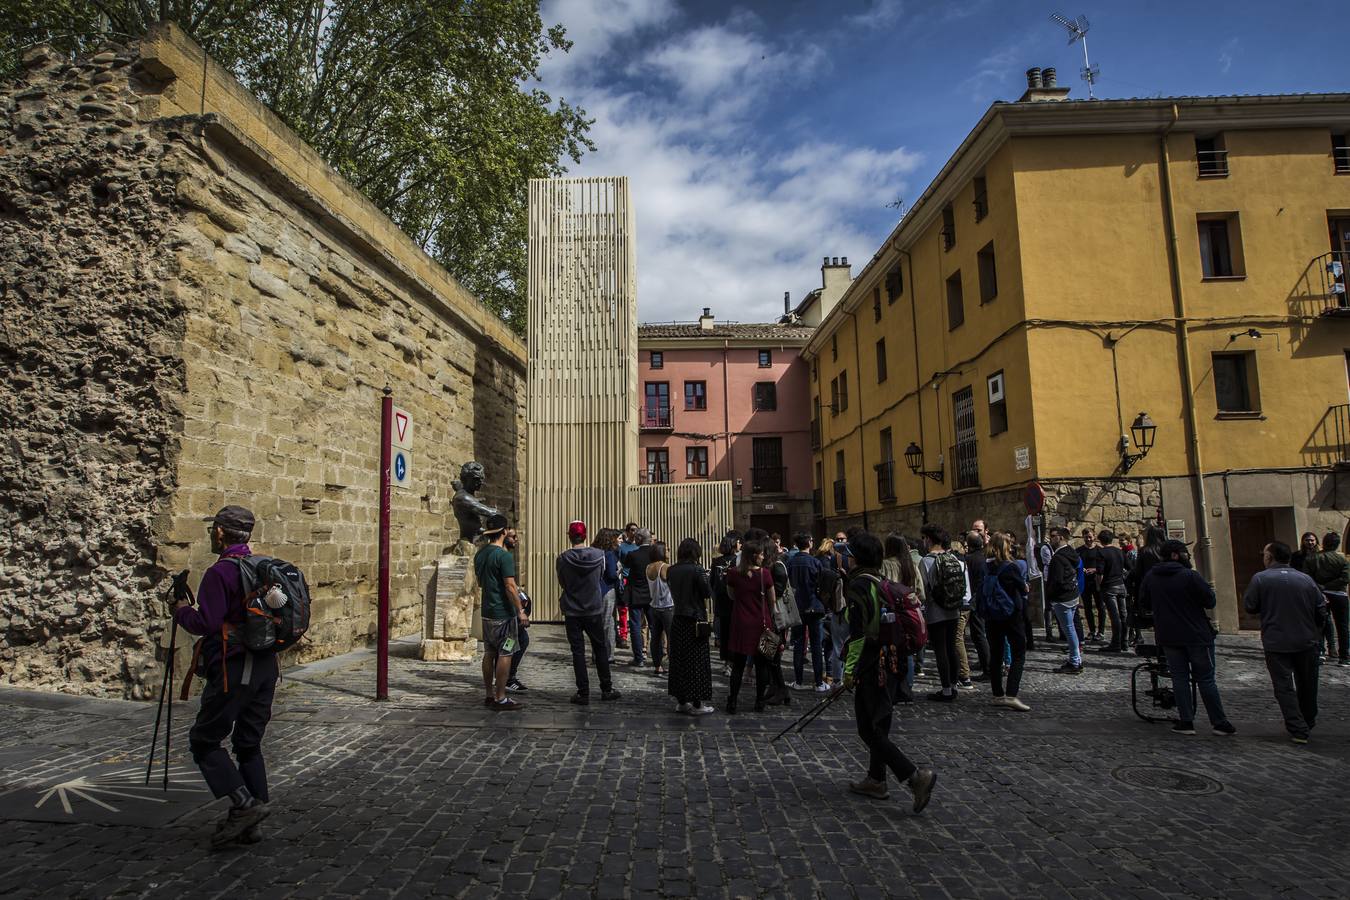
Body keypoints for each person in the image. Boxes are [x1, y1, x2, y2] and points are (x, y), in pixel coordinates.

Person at [171, 505, 275, 847]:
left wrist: (181, 611)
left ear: (219, 533)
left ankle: (244, 806)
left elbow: (208, 625)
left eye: (211, 529)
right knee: (248, 744)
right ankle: (254, 822)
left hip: (234, 668)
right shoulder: (261, 566)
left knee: (204, 740)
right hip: (264, 666)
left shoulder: (221, 573)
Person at [842, 531, 938, 811]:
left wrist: (849, 672)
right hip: (894, 660)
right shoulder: (881, 580)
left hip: (873, 662)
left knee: (867, 728)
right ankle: (876, 779)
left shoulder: (859, 585)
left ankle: (914, 776)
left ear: (857, 558)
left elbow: (859, 633)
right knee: (879, 724)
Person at [1140, 540, 1234, 736]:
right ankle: (1218, 722)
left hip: (1168, 635)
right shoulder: (1190, 576)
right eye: (1184, 553)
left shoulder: (1151, 576)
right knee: (1206, 679)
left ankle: (1186, 721)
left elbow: (1144, 603)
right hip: (1196, 635)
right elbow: (1210, 600)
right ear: (1175, 555)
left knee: (1179, 678)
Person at [1244, 540, 1327, 744]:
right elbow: (1321, 610)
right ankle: (1307, 720)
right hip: (1306, 639)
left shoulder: (1261, 579)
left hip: (1277, 640)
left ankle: (1297, 726)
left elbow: (1250, 606)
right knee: (1308, 683)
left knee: (1283, 686)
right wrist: (1316, 631)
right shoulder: (1305, 579)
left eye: (1264, 554)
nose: (1263, 557)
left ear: (1270, 557)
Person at [556, 521, 620, 705]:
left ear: (569, 535)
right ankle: (606, 688)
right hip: (593, 607)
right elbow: (601, 576)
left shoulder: (563, 558)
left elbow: (563, 582)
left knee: (577, 652)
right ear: (585, 535)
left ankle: (583, 692)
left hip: (572, 609)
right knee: (600, 648)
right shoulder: (599, 556)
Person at [476, 514, 528, 710]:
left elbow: (481, 582)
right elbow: (510, 586)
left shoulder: (480, 554)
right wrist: (520, 611)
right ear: (504, 531)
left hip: (487, 612)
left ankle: (489, 694)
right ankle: (501, 696)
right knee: (506, 653)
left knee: (489, 652)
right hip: (503, 615)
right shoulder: (503, 556)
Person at [723, 540, 777, 714]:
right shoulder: (765, 574)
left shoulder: (733, 573)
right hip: (761, 623)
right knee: (761, 665)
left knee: (738, 664)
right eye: (761, 554)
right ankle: (759, 701)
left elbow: (731, 596)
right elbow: (772, 600)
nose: (763, 556)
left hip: (740, 622)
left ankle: (732, 700)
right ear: (754, 555)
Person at [982, 532, 1031, 711]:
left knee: (996, 654)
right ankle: (1011, 694)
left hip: (992, 615)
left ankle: (997, 694)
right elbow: (1022, 588)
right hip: (1011, 615)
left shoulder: (986, 566)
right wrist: (1025, 587)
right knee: (1019, 653)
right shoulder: (1011, 567)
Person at [667, 538, 715, 715]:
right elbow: (707, 593)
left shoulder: (671, 570)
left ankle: (681, 700)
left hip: (678, 618)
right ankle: (697, 703)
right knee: (697, 661)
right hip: (695, 619)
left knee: (679, 661)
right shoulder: (697, 569)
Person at [744, 526, 791, 706]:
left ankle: (782, 691)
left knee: (773, 658)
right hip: (771, 618)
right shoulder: (771, 567)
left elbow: (777, 594)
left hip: (777, 620)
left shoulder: (777, 568)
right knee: (770, 657)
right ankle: (777, 689)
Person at [918, 523, 964, 701]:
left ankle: (945, 690)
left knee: (940, 651)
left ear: (929, 539)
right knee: (952, 648)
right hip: (953, 610)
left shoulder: (926, 561)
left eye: (924, 538)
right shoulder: (952, 558)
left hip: (935, 612)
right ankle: (953, 685)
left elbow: (922, 590)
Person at [787, 532, 828, 692]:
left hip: (797, 606)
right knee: (816, 645)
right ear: (809, 543)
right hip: (814, 605)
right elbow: (821, 583)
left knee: (798, 643)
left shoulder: (791, 562)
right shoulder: (815, 562)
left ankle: (798, 681)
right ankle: (818, 682)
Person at [1304, 532, 1349, 667]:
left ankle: (1320, 653)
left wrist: (1322, 587)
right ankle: (1344, 657)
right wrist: (1329, 586)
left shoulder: (1312, 558)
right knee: (1343, 626)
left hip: (1320, 594)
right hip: (1339, 595)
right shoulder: (1341, 560)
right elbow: (1345, 578)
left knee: (1319, 625)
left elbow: (1307, 577)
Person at [1046, 526, 1083, 674]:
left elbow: (1057, 581)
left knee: (1069, 630)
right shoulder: (1071, 553)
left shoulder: (1058, 558)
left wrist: (1050, 596)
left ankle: (1075, 661)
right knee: (1071, 628)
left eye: (1053, 536)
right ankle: (1076, 659)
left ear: (1061, 537)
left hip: (1062, 599)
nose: (1050, 539)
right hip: (1071, 595)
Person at [958, 532, 990, 686]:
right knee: (979, 634)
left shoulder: (969, 560)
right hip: (980, 598)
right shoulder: (982, 557)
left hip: (973, 600)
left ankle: (987, 668)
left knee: (978, 634)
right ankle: (985, 664)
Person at [624, 528, 656, 666]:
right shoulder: (655, 554)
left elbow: (625, 566)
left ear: (638, 539)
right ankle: (657, 658)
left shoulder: (633, 554)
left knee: (636, 626)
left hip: (636, 594)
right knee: (655, 626)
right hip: (652, 594)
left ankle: (639, 658)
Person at [816, 538, 846, 684]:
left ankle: (834, 677)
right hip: (838, 612)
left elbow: (821, 594)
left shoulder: (829, 574)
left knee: (833, 646)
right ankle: (838, 676)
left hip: (832, 612)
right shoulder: (842, 575)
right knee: (838, 646)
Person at [710, 533, 739, 673]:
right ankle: (735, 661)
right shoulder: (738, 561)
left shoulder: (716, 562)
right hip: (735, 601)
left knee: (725, 633)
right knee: (736, 633)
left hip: (721, 600)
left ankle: (727, 662)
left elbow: (712, 583)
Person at [593, 528, 623, 666]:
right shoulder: (610, 554)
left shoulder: (595, 552)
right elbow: (611, 574)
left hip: (596, 591)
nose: (619, 540)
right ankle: (607, 655)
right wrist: (619, 571)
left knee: (600, 623)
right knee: (608, 623)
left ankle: (597, 653)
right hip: (607, 590)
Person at [1095, 530, 1127, 653]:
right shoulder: (1119, 551)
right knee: (1123, 615)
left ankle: (1116, 643)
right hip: (1121, 585)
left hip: (1109, 587)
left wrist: (1099, 585)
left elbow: (1100, 573)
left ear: (1101, 540)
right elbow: (1129, 567)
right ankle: (1124, 642)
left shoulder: (1102, 553)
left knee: (1115, 616)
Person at [646, 543, 675, 677]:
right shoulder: (665, 567)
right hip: (667, 607)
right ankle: (673, 665)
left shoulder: (648, 567)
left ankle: (657, 666)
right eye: (667, 549)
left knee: (655, 637)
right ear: (661, 552)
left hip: (653, 606)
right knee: (671, 637)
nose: (669, 551)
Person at [615, 522, 640, 648]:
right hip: (625, 579)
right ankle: (623, 636)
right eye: (631, 530)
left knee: (637, 609)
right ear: (627, 531)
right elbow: (618, 563)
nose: (634, 532)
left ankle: (639, 637)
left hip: (637, 580)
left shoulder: (640, 546)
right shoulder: (622, 547)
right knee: (623, 609)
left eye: (636, 530)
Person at [1077, 528, 1103, 644]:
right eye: (1086, 537)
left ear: (1094, 536)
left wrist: (1095, 569)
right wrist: (1082, 569)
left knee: (1100, 606)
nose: (1088, 539)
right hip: (1085, 582)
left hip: (1097, 581)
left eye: (1090, 537)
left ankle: (1101, 631)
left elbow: (1104, 565)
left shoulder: (1099, 550)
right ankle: (1092, 630)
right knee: (1087, 607)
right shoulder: (1079, 551)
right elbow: (1076, 564)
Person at [507, 587, 531, 693]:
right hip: (505, 621)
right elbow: (509, 584)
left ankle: (507, 677)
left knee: (522, 639)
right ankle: (507, 678)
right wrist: (521, 611)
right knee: (508, 646)